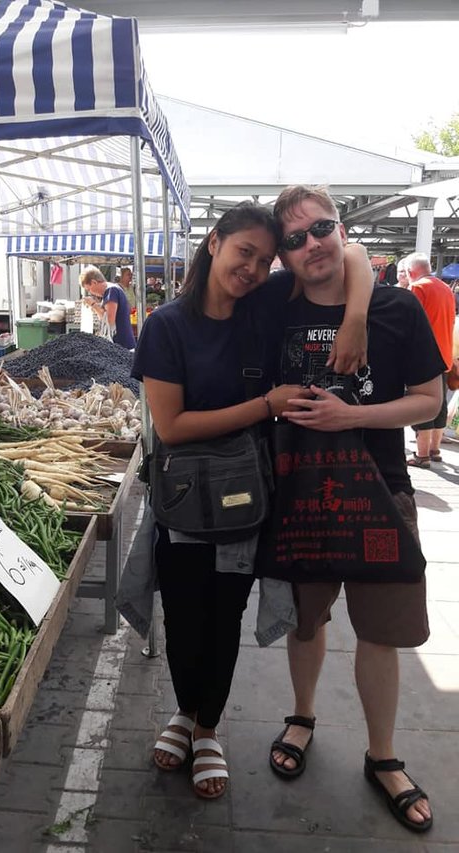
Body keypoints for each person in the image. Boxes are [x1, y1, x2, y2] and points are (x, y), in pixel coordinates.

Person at [131, 201, 372, 800]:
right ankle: (184, 713)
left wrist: (357, 319)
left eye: (265, 261)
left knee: (225, 618)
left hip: (243, 502)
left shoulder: (261, 310)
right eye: (245, 253)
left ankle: (208, 727)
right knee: (185, 617)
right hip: (184, 500)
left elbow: (355, 254)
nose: (255, 270)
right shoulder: (166, 325)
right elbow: (174, 425)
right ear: (213, 243)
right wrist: (266, 405)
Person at [267, 185, 444, 833]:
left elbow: (428, 399)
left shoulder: (395, 307)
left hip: (381, 490)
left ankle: (383, 754)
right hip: (299, 495)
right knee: (306, 621)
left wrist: (354, 413)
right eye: (294, 238)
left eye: (322, 228)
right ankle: (303, 714)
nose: (311, 243)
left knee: (381, 632)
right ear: (282, 255)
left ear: (339, 229)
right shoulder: (275, 308)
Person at [405, 253, 456, 468]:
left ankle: (422, 455)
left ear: (410, 272)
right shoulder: (446, 289)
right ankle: (435, 450)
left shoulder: (418, 288)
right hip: (444, 355)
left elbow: (407, 323)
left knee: (422, 404)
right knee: (440, 404)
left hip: (423, 357)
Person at [80, 265, 135, 350]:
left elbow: (109, 320)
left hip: (121, 346)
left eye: (89, 289)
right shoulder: (112, 290)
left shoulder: (111, 291)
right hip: (120, 345)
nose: (90, 293)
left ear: (94, 282)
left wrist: (93, 304)